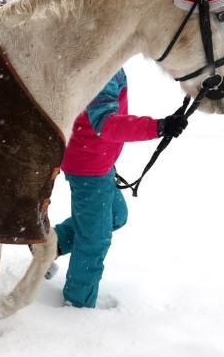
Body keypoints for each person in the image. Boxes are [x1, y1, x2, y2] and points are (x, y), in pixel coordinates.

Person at [44, 68, 188, 308]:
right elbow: (107, 124)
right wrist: (159, 127)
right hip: (89, 169)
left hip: (99, 162)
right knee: (94, 240)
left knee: (115, 215)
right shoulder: (103, 69)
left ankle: (50, 244)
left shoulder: (108, 59)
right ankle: (77, 303)